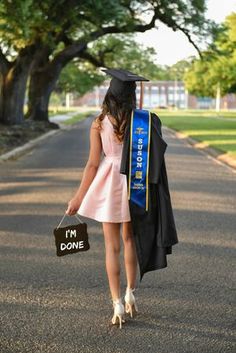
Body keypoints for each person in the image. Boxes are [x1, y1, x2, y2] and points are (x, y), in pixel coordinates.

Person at [65, 68, 178, 329]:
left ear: (109, 94)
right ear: (132, 95)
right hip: (135, 184)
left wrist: (78, 198)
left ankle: (116, 302)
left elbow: (93, 164)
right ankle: (130, 293)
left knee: (111, 246)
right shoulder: (142, 121)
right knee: (130, 240)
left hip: (108, 184)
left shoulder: (99, 122)